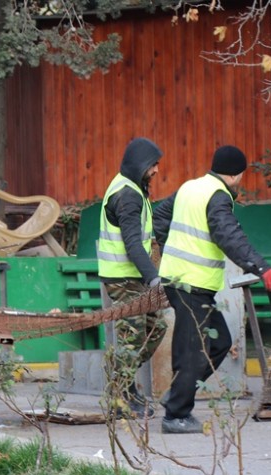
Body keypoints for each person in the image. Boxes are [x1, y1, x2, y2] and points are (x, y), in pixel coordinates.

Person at [153, 145, 271, 434]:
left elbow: (159, 218)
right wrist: (261, 267)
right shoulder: (218, 196)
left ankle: (177, 395)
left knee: (220, 341)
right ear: (237, 175)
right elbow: (228, 235)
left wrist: (172, 249)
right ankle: (176, 415)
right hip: (191, 283)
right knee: (191, 350)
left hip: (184, 281)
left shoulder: (190, 187)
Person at [98, 137, 168, 418]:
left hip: (132, 276)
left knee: (155, 327)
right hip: (121, 277)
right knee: (134, 333)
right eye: (154, 165)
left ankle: (123, 386)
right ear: (141, 165)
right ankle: (119, 397)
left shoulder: (134, 188)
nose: (157, 171)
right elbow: (131, 242)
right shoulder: (126, 195)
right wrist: (153, 277)